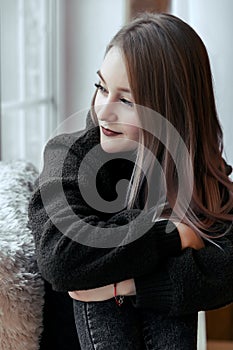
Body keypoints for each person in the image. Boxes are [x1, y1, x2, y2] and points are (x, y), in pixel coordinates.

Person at [28, 12, 233, 350]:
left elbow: (225, 267)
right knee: (97, 256)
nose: (103, 110)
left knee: (132, 271)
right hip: (74, 338)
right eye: (101, 87)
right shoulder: (68, 155)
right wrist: (169, 234)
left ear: (170, 110)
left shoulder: (195, 170)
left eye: (125, 100)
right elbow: (61, 259)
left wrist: (129, 285)